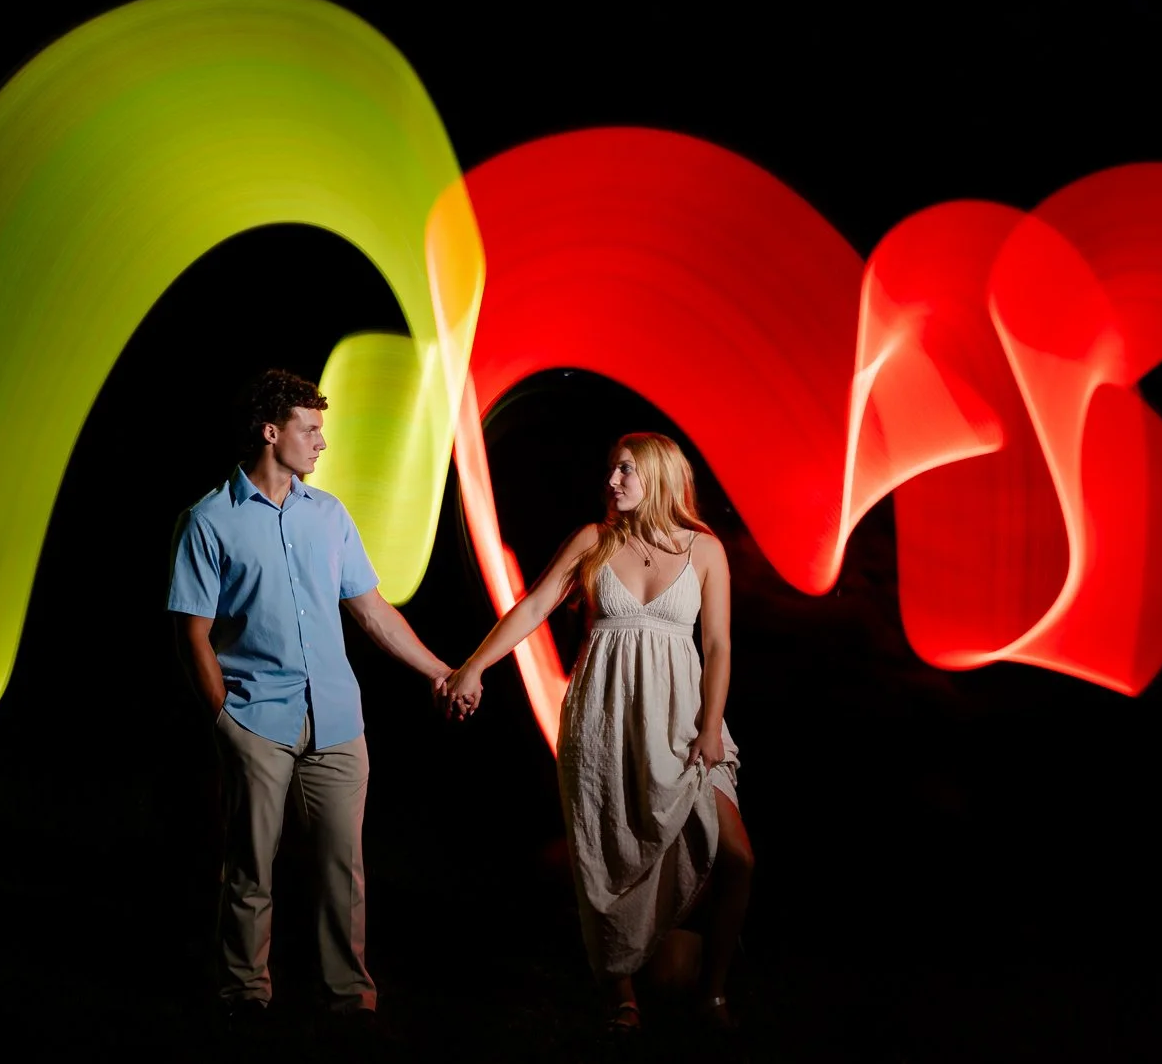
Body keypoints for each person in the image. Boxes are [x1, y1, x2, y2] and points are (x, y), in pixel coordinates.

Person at [167, 368, 452, 1039]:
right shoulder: (208, 520)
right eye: (311, 429)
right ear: (273, 433)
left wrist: (442, 670)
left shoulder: (329, 515)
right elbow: (192, 633)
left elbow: (372, 611)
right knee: (250, 867)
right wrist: (223, 721)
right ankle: (244, 994)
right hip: (255, 720)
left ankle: (349, 999)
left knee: (342, 870)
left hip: (337, 719)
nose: (322, 443)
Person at [443, 432, 754, 1037]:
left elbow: (717, 645)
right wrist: (474, 665)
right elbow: (534, 607)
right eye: (611, 470)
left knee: (737, 856)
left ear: (660, 476)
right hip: (605, 718)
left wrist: (712, 727)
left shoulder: (704, 551)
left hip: (686, 723)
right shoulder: (595, 540)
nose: (612, 481)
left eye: (626, 471)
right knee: (604, 852)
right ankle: (622, 997)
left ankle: (712, 995)